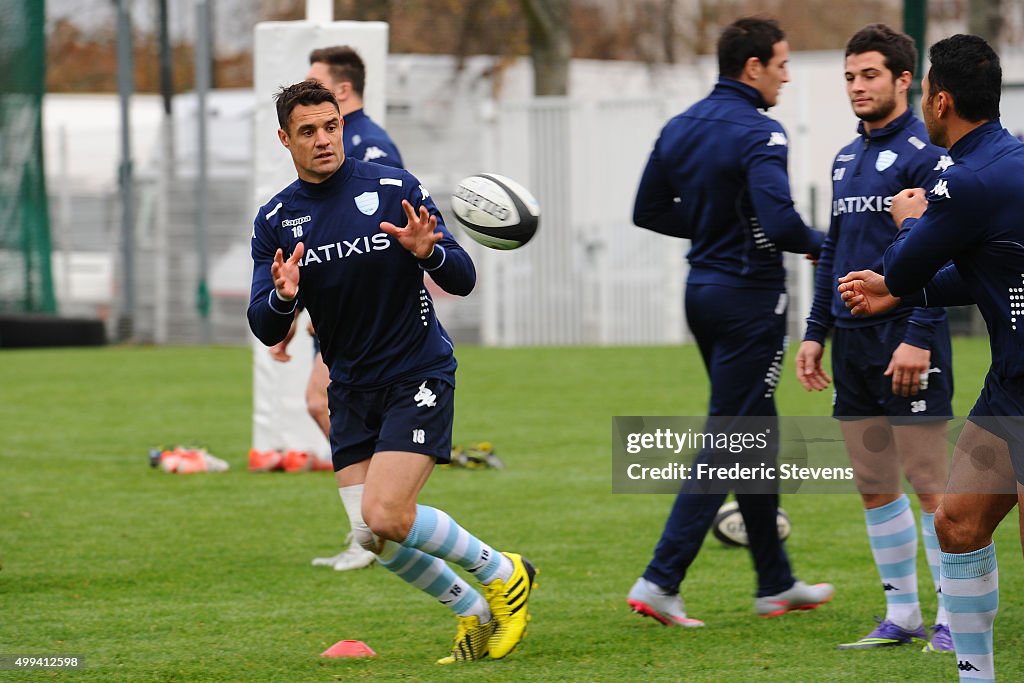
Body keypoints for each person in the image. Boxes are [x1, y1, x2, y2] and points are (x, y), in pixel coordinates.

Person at [248, 80, 537, 664]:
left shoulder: (392, 189)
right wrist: (284, 297)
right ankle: (472, 613)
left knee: (385, 512)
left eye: (331, 126)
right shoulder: (276, 219)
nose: (324, 139)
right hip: (351, 387)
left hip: (416, 372)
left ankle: (505, 574)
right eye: (308, 131)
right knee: (371, 535)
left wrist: (427, 251)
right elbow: (262, 322)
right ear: (285, 138)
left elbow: (461, 276)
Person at [627, 17, 833, 627]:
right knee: (731, 439)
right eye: (782, 64)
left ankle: (775, 582)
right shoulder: (761, 133)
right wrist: (831, 240)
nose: (787, 76)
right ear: (753, 67)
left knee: (754, 432)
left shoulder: (680, 125)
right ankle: (661, 578)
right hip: (750, 300)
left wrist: (715, 227)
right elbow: (783, 224)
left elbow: (648, 210)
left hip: (703, 293)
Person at [838, 34, 1024, 682]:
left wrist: (908, 221)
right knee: (957, 523)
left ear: (939, 100)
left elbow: (908, 261)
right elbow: (975, 277)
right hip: (1010, 389)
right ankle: (977, 675)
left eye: (921, 92)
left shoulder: (966, 178)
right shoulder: (1005, 161)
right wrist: (889, 292)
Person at [795, 24, 954, 652]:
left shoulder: (925, 153)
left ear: (903, 80)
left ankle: (953, 615)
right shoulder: (844, 157)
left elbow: (941, 251)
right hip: (854, 342)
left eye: (869, 75)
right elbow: (834, 250)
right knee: (873, 480)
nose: (858, 87)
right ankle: (904, 615)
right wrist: (814, 333)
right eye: (850, 77)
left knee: (927, 479)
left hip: (907, 336)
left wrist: (919, 333)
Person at [266, 45, 406, 573]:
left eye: (317, 83)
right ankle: (370, 521)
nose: (322, 137)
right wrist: (290, 308)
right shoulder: (283, 207)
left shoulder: (370, 151)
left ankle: (371, 521)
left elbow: (371, 244)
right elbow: (325, 249)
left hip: (376, 323)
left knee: (320, 400)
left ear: (342, 93)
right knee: (320, 402)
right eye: (308, 129)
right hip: (342, 316)